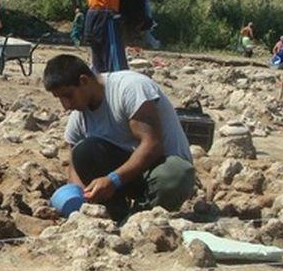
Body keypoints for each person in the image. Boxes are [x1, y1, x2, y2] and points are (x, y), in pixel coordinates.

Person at [43, 54, 195, 222]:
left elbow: (153, 145)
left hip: (160, 168)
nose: (66, 105)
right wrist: (80, 198)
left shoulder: (130, 88)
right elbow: (74, 164)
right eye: (60, 99)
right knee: (84, 151)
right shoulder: (79, 115)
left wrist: (113, 180)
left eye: (68, 96)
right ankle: (117, 216)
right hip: (126, 177)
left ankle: (142, 217)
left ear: (84, 81)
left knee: (175, 176)